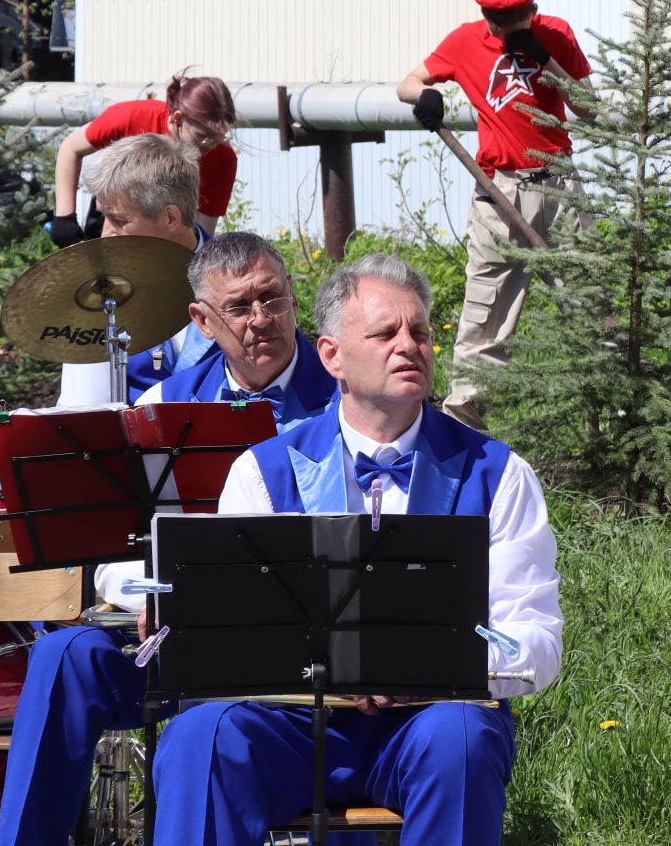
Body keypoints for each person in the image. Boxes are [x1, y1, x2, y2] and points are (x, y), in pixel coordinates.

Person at [149, 253, 563, 845]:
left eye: (419, 331)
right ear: (332, 355)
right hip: (292, 724)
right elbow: (230, 634)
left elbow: (536, 640)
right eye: (385, 333)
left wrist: (435, 669)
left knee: (464, 739)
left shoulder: (498, 473)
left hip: (428, 723)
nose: (409, 345)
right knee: (200, 737)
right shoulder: (263, 472)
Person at [0, 232, 336, 846]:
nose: (262, 320)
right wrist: (158, 591)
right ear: (202, 321)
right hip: (182, 642)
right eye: (239, 308)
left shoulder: (346, 396)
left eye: (273, 299)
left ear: (292, 297)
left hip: (302, 645)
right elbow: (111, 556)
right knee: (63, 655)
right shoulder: (161, 403)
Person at [395, 0, 593, 428]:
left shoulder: (555, 35)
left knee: (590, 300)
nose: (525, 26)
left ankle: (616, 417)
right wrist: (423, 96)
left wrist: (548, 62)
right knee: (484, 313)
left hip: (560, 188)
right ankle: (462, 426)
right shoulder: (466, 42)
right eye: (512, 26)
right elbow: (408, 81)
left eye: (530, 20)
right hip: (497, 195)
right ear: (490, 21)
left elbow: (591, 106)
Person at [56, 134, 220, 406]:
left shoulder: (245, 279)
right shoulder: (99, 291)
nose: (105, 234)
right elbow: (84, 410)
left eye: (119, 220)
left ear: (170, 217)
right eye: (103, 216)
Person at [47, 72, 238, 245]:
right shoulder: (132, 117)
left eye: (219, 137)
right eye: (203, 136)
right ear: (178, 118)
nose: (211, 145)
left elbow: (201, 231)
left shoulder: (224, 158)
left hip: (165, 236)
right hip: (113, 220)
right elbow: (71, 148)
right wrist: (64, 218)